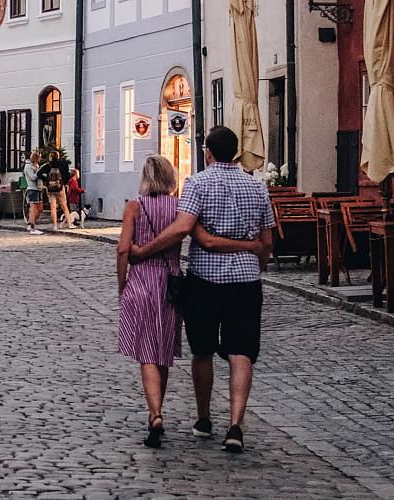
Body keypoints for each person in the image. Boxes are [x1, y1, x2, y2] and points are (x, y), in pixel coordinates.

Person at [132, 126, 273, 453]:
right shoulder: (257, 186)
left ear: (208, 152)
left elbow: (183, 229)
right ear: (235, 152)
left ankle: (204, 418)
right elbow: (266, 242)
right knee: (242, 352)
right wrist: (256, 261)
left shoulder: (197, 182)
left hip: (206, 281)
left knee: (203, 350)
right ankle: (235, 425)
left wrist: (146, 250)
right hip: (246, 281)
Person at [116, 156, 183, 449]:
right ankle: (158, 409)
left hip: (142, 280)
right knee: (163, 350)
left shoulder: (134, 207)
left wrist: (122, 284)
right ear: (170, 178)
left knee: (146, 352)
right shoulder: (180, 207)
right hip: (171, 281)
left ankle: (155, 414)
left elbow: (122, 250)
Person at [45, 152, 72, 231]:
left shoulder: (47, 165)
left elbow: (39, 173)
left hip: (50, 189)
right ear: (58, 156)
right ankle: (70, 223)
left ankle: (55, 226)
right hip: (60, 188)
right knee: (64, 205)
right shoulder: (62, 164)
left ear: (50, 157)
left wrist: (46, 180)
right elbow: (67, 175)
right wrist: (64, 182)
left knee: (53, 207)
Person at [23, 154, 43, 236]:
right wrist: (39, 172)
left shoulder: (36, 165)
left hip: (38, 189)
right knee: (33, 208)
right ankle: (32, 227)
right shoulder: (28, 167)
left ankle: (31, 223)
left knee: (40, 208)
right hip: (32, 189)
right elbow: (33, 177)